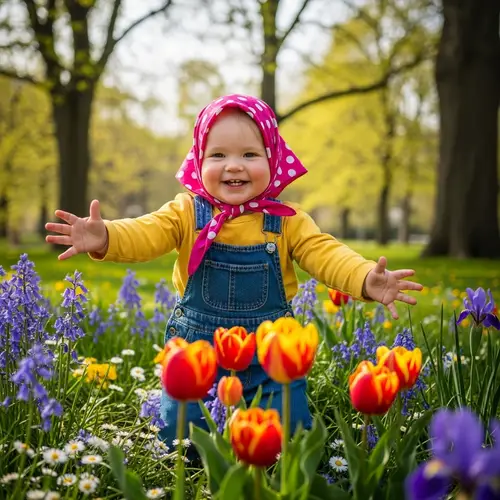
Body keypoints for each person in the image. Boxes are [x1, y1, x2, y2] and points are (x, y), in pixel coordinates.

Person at [45, 94, 423, 446]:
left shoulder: (287, 220)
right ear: (198, 161)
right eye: (218, 155)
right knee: (183, 436)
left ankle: (277, 467)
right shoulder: (186, 212)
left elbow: (326, 254)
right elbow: (146, 232)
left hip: (270, 351)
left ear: (272, 160)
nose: (234, 165)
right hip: (198, 350)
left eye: (250, 154)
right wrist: (106, 235)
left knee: (286, 432)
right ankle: (192, 468)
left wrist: (363, 277)